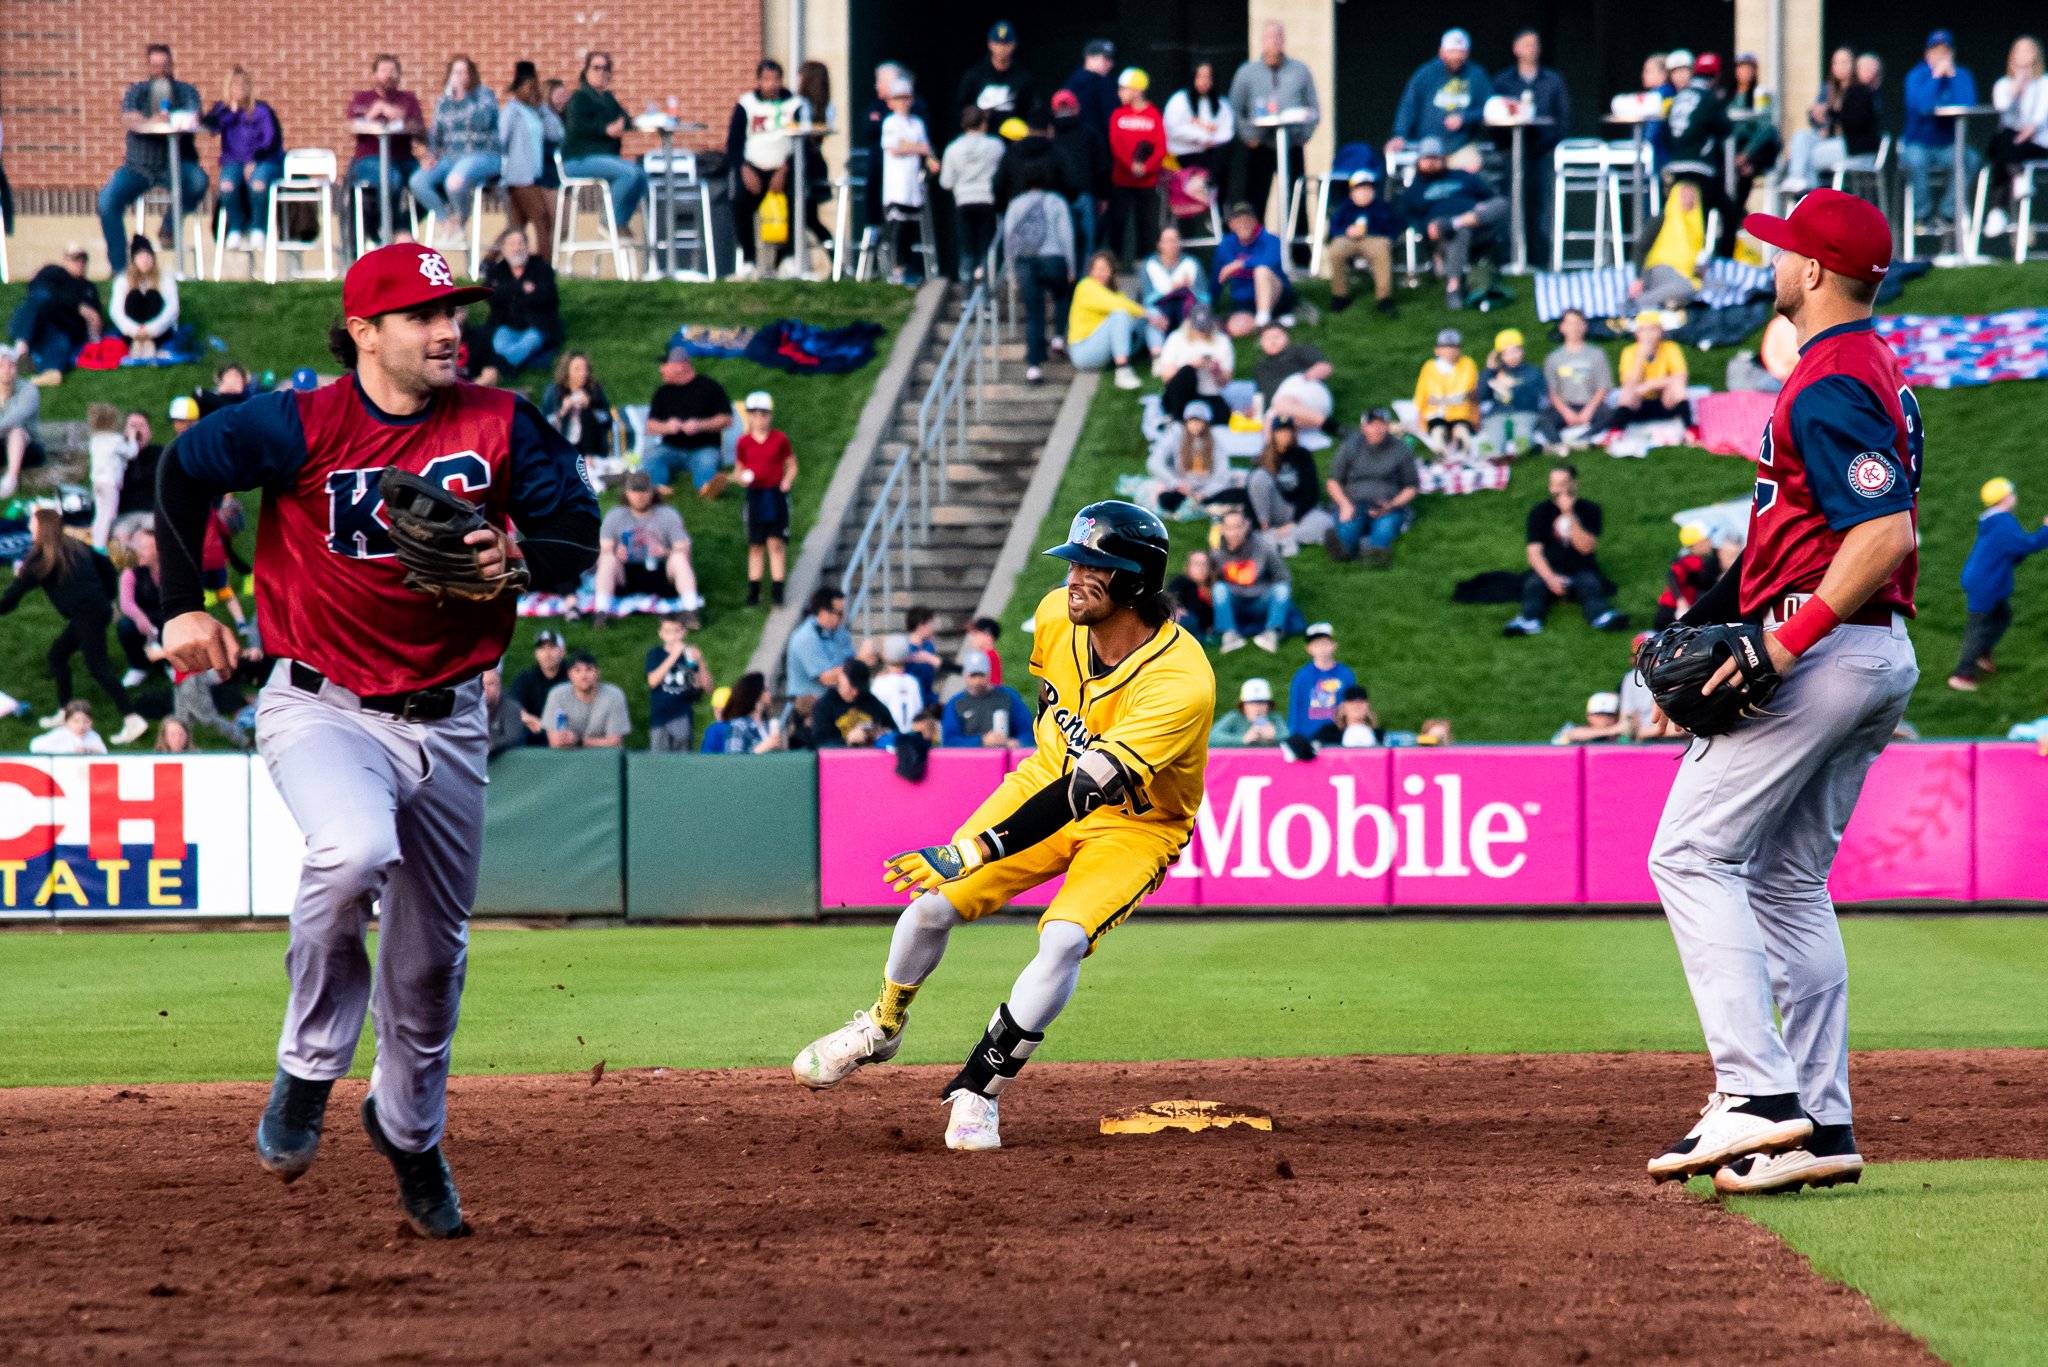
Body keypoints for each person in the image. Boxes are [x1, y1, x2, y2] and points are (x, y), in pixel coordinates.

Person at [155, 243, 597, 1236]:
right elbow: (180, 469)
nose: (449, 330)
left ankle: (407, 1129)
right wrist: (183, 605)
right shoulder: (297, 420)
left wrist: (517, 554)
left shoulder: (502, 420)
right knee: (351, 849)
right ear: (362, 330)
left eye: (454, 312)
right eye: (421, 314)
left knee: (430, 967)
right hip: (323, 701)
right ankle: (309, 1065)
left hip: (450, 718)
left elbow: (577, 535)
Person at [1644, 188, 1922, 1198]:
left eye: (1779, 252)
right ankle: (1818, 1119)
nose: (1769, 263)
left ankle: (1757, 1095)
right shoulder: (1869, 367)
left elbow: (1881, 532)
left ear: (1810, 271)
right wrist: (1718, 607)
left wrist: (1775, 645)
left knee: (1687, 850)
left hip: (1825, 644)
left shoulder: (1828, 376)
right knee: (1785, 880)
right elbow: (1809, 530)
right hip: (1867, 643)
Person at [793, 501, 1213, 1154]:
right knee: (932, 906)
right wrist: (968, 854)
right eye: (1073, 562)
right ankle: (883, 1021)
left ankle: (979, 1088)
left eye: (1092, 567)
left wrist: (976, 847)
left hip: (1135, 825)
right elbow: (1060, 761)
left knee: (1064, 938)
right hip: (1042, 781)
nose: (1073, 579)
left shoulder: (1181, 681)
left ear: (1132, 582)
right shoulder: (1054, 616)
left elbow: (1085, 792)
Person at [1, 507, 149, 743]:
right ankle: (64, 711)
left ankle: (132, 719)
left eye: (32, 523)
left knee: (98, 667)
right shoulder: (75, 546)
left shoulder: (41, 560)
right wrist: (108, 599)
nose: (29, 527)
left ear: (41, 528)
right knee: (58, 655)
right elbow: (108, 569)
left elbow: (11, 599)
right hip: (95, 610)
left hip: (87, 615)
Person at [99, 44, 209, 273]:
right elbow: (130, 119)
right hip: (138, 168)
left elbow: (192, 117)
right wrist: (154, 122)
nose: (160, 70)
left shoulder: (186, 91)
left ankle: (169, 226)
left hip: (177, 165)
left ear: (171, 65)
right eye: (155, 65)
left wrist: (166, 120)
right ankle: (119, 269)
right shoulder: (136, 92)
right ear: (148, 66)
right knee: (107, 202)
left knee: (198, 181)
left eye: (164, 65)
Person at [1503, 464, 1627, 636]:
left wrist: (1569, 514)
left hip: (1580, 567)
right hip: (1550, 568)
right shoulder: (1539, 513)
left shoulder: (1590, 510)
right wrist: (1550, 578)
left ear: (1573, 484)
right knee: (1533, 585)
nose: (1557, 489)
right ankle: (1529, 620)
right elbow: (1534, 552)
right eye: (1554, 484)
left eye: (1562, 484)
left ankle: (1600, 617)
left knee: (1590, 583)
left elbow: (1585, 548)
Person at [1950, 477, 2048, 690]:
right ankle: (1962, 675)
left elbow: (2011, 550)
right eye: (2011, 493)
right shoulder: (2003, 522)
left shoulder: (1993, 520)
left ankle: (1983, 653)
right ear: (2004, 498)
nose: (2015, 497)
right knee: (1978, 628)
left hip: (1986, 581)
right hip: (1986, 584)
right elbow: (2025, 545)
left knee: (2002, 617)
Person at [1228, 22, 1319, 238]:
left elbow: (1313, 109)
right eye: (1270, 38)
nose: (1274, 43)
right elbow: (1234, 109)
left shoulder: (1300, 71)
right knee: (1256, 197)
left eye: (1278, 38)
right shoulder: (1247, 73)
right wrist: (1248, 136)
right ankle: (1254, 246)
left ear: (1283, 40)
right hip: (1260, 146)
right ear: (1262, 40)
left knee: (1296, 196)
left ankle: (1298, 255)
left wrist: (1304, 135)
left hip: (1291, 144)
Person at [1399, 137, 1508, 310]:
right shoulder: (1415, 189)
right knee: (1460, 231)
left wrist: (1479, 209)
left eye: (1436, 158)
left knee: (1501, 203)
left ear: (1444, 158)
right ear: (1419, 161)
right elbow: (1408, 217)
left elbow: (1490, 198)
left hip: (1477, 226)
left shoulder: (1463, 176)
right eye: (1428, 159)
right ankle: (1454, 286)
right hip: (1443, 234)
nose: (1433, 163)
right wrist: (1426, 227)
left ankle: (1456, 222)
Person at [411, 56, 500, 251]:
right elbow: (436, 132)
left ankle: (460, 220)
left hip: (482, 155)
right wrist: (431, 155)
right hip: (450, 157)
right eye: (456, 72)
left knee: (455, 181)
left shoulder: (484, 95)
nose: (459, 77)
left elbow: (483, 122)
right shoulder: (444, 101)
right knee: (418, 181)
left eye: (463, 72)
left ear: (471, 74)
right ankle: (447, 222)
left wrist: (464, 97)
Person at [1493, 30, 1569, 254]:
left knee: (1542, 206)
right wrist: (1504, 146)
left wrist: (1553, 144)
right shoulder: (1502, 81)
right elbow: (1492, 116)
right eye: (1526, 44)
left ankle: (1541, 257)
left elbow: (1562, 117)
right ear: (1516, 48)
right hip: (1512, 152)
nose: (1532, 49)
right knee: (1511, 202)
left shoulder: (1553, 80)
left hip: (1543, 152)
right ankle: (1510, 254)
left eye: (1535, 44)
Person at [727, 59, 805, 271]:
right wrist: (744, 168)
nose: (772, 84)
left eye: (776, 79)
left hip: (784, 168)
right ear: (759, 81)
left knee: (797, 200)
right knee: (739, 203)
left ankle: (787, 258)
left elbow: (802, 142)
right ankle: (749, 260)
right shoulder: (747, 104)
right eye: (767, 79)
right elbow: (734, 143)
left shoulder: (795, 104)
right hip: (755, 168)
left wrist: (784, 168)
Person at [596, 470, 702, 625]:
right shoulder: (615, 515)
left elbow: (684, 548)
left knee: (679, 558)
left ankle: (691, 611)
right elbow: (604, 548)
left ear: (652, 492)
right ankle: (601, 612)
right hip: (627, 573)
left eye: (644, 491)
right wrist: (616, 551)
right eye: (635, 491)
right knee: (607, 559)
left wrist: (665, 552)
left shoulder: (668, 514)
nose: (639, 496)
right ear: (627, 493)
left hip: (660, 571)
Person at [561, 52, 648, 239]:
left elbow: (624, 120)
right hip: (579, 159)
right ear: (586, 71)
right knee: (629, 172)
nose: (601, 72)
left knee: (641, 175)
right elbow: (577, 127)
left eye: (606, 68)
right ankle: (610, 222)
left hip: (605, 158)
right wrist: (605, 130)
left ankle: (621, 220)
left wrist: (628, 123)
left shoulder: (608, 98)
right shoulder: (579, 97)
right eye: (596, 67)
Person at [1002, 167, 1075, 385]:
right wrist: (1070, 267)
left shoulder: (1015, 204)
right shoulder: (1056, 201)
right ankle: (1059, 337)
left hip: (1025, 263)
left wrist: (1011, 272)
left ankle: (1034, 367)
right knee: (1063, 295)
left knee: (1035, 314)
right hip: (1053, 259)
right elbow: (1066, 234)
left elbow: (1009, 239)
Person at [1901, 31, 1980, 229]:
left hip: (1948, 145)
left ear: (1952, 53)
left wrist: (1951, 77)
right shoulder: (1916, 76)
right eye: (1935, 51)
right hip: (1918, 143)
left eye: (1945, 52)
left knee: (1969, 158)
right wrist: (1936, 77)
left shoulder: (1961, 75)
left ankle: (1948, 213)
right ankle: (1923, 215)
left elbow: (1968, 104)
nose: (1940, 56)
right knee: (1915, 160)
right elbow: (1922, 106)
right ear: (1927, 54)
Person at [345, 55, 426, 244]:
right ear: (374, 75)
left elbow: (422, 132)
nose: (388, 76)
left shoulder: (408, 99)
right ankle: (392, 230)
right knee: (391, 178)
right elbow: (350, 128)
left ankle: (400, 226)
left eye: (392, 71)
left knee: (431, 182)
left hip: (403, 158)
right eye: (383, 71)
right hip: (369, 158)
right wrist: (373, 113)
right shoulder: (362, 98)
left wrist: (403, 120)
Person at [1324, 408, 1419, 565]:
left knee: (1385, 528)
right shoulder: (1350, 446)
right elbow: (1333, 481)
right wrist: (1344, 504)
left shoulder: (1401, 450)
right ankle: (1343, 549)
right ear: (1364, 428)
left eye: (1381, 425)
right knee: (1349, 527)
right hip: (1353, 502)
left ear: (1388, 427)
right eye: (1372, 425)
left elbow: (1411, 487)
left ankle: (1375, 553)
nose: (1376, 429)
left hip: (1387, 505)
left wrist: (1392, 505)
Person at [204, 66, 284, 253]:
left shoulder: (261, 110)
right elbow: (210, 127)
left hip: (263, 161)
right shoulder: (223, 110)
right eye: (235, 85)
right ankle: (235, 228)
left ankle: (258, 229)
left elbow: (272, 140)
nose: (240, 88)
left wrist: (255, 160)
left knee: (258, 183)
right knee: (226, 185)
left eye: (244, 84)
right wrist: (228, 112)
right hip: (233, 162)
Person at [735, 389, 797, 606]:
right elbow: (739, 467)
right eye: (754, 414)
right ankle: (754, 592)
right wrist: (741, 478)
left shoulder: (779, 439)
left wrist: (787, 480)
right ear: (749, 416)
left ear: (770, 416)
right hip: (755, 495)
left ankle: (778, 591)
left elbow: (791, 463)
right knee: (755, 545)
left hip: (774, 494)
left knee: (775, 543)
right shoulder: (743, 442)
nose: (759, 419)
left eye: (764, 414)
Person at [7, 244, 102, 386]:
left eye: (83, 260)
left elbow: (95, 316)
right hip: (40, 321)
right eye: (75, 259)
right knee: (40, 297)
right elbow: (39, 290)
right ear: (65, 260)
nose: (79, 264)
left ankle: (44, 373)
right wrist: (77, 306)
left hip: (64, 329)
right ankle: (21, 349)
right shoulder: (53, 272)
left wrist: (94, 333)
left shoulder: (88, 288)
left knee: (61, 343)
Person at [1391, 28, 1493, 157]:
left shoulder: (1477, 74)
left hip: (1463, 145)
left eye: (1461, 52)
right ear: (1441, 52)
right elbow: (1409, 105)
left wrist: (1465, 118)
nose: (1456, 56)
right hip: (1427, 146)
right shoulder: (1425, 73)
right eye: (1452, 52)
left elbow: (1489, 108)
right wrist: (1400, 135)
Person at [645, 346, 732, 496]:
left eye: (665, 365)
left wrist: (700, 425)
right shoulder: (662, 393)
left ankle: (707, 488)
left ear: (679, 367)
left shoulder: (710, 388)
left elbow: (727, 420)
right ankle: (657, 487)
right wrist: (667, 427)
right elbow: (650, 426)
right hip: (671, 449)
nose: (661, 370)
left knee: (707, 461)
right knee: (653, 455)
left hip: (704, 448)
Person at [1984, 37, 2048, 238]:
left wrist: (2021, 136)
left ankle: (1997, 210)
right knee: (2004, 140)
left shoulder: (2045, 83)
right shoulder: (2003, 84)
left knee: (2003, 147)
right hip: (2011, 144)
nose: (2024, 55)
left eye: (2028, 51)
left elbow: (2038, 119)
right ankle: (2018, 177)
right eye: (2019, 51)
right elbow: (2001, 109)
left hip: (2038, 143)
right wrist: (2017, 88)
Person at [1212, 505, 1295, 653]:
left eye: (1238, 527)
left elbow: (1283, 577)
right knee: (1219, 588)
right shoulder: (1216, 552)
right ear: (1223, 529)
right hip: (1235, 601)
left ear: (1247, 526)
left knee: (1282, 589)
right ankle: (1229, 635)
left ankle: (1271, 633)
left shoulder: (1264, 547)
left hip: (1260, 600)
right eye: (1230, 528)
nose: (1234, 532)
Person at [1103, 69, 1166, 263]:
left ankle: (1144, 264)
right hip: (1122, 180)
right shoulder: (1117, 114)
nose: (1120, 93)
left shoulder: (1153, 115)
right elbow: (1115, 144)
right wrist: (1131, 165)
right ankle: (1116, 262)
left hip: (1146, 182)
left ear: (1137, 90)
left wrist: (1146, 167)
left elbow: (1161, 147)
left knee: (1146, 224)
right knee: (1117, 222)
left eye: (1124, 89)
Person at [879, 76, 938, 284]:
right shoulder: (890, 122)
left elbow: (926, 149)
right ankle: (895, 270)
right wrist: (918, 149)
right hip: (896, 188)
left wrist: (930, 159)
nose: (903, 102)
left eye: (906, 97)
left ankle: (909, 269)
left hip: (914, 189)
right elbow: (894, 148)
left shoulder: (917, 124)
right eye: (898, 98)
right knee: (897, 231)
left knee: (911, 231)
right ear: (890, 101)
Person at [498, 62, 559, 259]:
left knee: (516, 226)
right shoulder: (511, 111)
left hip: (533, 177)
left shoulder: (536, 112)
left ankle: (488, 261)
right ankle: (546, 267)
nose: (531, 91)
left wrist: (542, 107)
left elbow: (557, 133)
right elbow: (501, 139)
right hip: (518, 177)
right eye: (527, 87)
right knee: (542, 220)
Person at [1246, 416, 1330, 554]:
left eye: (1288, 431)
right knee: (1258, 477)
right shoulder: (1262, 458)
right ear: (1273, 434)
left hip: (1297, 511)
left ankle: (1281, 537)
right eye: (1281, 432)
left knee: (1325, 523)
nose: (1285, 435)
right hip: (1274, 509)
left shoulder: (1303, 455)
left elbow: (1311, 491)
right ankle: (1266, 531)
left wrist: (1294, 522)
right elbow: (1252, 492)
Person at [1067, 249, 1147, 390]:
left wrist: (1150, 315)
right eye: (1097, 269)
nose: (1101, 273)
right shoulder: (1086, 286)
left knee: (1144, 319)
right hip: (1084, 350)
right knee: (1120, 315)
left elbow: (1129, 304)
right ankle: (1123, 371)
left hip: (1101, 349)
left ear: (1111, 271)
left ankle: (1159, 356)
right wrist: (1144, 312)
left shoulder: (1112, 292)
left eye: (1105, 269)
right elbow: (1118, 305)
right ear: (1091, 271)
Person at [940, 107, 1005, 279]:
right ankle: (988, 290)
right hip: (987, 200)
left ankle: (966, 295)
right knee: (987, 249)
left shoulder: (952, 148)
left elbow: (946, 183)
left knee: (966, 250)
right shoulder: (996, 146)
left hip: (963, 201)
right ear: (983, 123)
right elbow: (1003, 175)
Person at [1534, 309, 1613, 450]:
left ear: (1585, 326)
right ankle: (1558, 444)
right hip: (1565, 406)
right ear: (1562, 328)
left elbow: (1603, 387)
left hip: (1591, 404)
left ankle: (1584, 439)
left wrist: (1588, 411)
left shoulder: (1597, 354)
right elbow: (1552, 392)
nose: (1574, 328)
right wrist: (1566, 413)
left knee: (1610, 414)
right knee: (1542, 418)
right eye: (1570, 323)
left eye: (1578, 323)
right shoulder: (1553, 358)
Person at [1325, 169, 1396, 315]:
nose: (1364, 192)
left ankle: (1384, 298)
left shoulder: (1381, 207)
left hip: (1374, 239)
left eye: (1368, 188)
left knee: (1381, 251)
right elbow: (1333, 227)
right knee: (1336, 250)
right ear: (1352, 192)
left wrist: (1373, 230)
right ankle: (1340, 295)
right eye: (1360, 189)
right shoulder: (1345, 208)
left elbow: (1392, 227)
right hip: (1348, 239)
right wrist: (1346, 230)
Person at [1049, 88, 1110, 257]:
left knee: (1058, 244)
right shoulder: (1089, 131)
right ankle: (1084, 282)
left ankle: (1065, 280)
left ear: (1054, 110)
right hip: (1084, 194)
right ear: (1076, 108)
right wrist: (1103, 196)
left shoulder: (1049, 133)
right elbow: (1103, 166)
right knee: (1087, 245)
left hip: (1057, 196)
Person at [1214, 203, 1292, 332]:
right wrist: (1210, 301)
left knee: (1261, 270)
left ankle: (1263, 321)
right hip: (1245, 302)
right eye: (1238, 221)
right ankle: (1272, 322)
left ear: (1255, 221)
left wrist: (1239, 264)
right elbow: (1217, 276)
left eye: (1247, 220)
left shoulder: (1270, 240)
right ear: (1231, 224)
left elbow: (1269, 260)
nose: (1243, 224)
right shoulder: (1225, 245)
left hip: (1276, 296)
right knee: (1236, 329)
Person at [1146, 403, 1233, 516]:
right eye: (1192, 421)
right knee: (1167, 500)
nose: (1195, 425)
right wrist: (1176, 483)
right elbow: (1154, 462)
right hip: (1181, 485)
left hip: (1206, 487)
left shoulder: (1214, 442)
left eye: (1199, 421)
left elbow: (1223, 474)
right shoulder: (1177, 437)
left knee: (1234, 495)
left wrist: (1206, 492)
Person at [1608, 312, 1690, 430]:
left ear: (1661, 332)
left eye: (1653, 329)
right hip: (1639, 404)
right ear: (1637, 334)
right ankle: (1615, 431)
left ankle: (1690, 429)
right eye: (1644, 330)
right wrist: (1640, 359)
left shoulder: (1670, 348)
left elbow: (1681, 378)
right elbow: (1628, 383)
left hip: (1664, 401)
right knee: (1627, 391)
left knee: (1678, 386)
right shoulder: (1629, 352)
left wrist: (1650, 385)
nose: (1648, 335)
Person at [1154, 304, 1233, 424]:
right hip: (1181, 394)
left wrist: (1215, 370)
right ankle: (1177, 417)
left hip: (1208, 392)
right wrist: (1193, 365)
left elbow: (1225, 382)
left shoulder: (1223, 342)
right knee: (1187, 371)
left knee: (1223, 416)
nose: (1201, 331)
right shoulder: (1176, 339)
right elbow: (1167, 378)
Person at [645, 613, 711, 751]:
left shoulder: (689, 655)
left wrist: (700, 661)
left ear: (684, 632)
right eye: (668, 632)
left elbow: (708, 687)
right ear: (661, 634)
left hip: (682, 714)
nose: (674, 636)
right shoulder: (655, 653)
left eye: (677, 631)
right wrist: (674, 655)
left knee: (681, 760)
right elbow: (653, 681)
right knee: (659, 761)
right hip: (660, 717)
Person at [940, 648, 1031, 747]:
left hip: (1004, 754)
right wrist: (981, 741)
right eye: (973, 675)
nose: (977, 680)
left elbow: (1028, 732)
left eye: (981, 675)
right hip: (970, 759)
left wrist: (1016, 742)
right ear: (966, 675)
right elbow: (949, 741)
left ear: (988, 673)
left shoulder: (1009, 697)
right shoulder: (955, 703)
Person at [1164, 62, 1235, 186]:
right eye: (1200, 76)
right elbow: (1172, 128)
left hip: (1211, 155)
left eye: (1208, 77)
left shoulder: (1221, 104)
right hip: (1184, 155)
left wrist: (1212, 141)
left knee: (1221, 161)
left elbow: (1227, 132)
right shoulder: (1179, 100)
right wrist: (1201, 138)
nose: (1204, 81)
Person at [1252, 322, 1333, 428]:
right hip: (1282, 405)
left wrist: (1310, 374)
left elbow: (1325, 367)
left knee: (1280, 403)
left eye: (1276, 336)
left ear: (1286, 337)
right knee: (1269, 421)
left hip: (1308, 391)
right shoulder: (1261, 367)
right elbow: (1260, 395)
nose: (1272, 341)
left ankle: (1335, 428)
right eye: (1267, 339)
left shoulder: (1300, 350)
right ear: (1261, 343)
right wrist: (1256, 415)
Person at [1137, 226, 1209, 346]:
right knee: (1156, 313)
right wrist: (1172, 288)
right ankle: (1158, 352)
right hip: (1161, 312)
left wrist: (1190, 289)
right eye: (1167, 241)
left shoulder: (1192, 263)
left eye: (1175, 240)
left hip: (1187, 310)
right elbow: (1147, 300)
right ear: (1159, 245)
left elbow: (1205, 298)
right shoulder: (1148, 265)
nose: (1172, 244)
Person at [1413, 327, 1479, 456]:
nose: (1450, 351)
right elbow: (1421, 393)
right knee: (1438, 434)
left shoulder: (1467, 364)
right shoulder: (1429, 367)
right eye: (1446, 347)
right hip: (1435, 414)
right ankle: (1442, 457)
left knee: (1462, 433)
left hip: (1461, 414)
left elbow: (1473, 391)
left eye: (1454, 347)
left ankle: (1462, 456)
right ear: (1437, 350)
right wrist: (1417, 416)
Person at [544, 651, 630, 748]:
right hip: (569, 758)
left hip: (605, 758)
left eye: (589, 670)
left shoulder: (614, 695)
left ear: (598, 673)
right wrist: (563, 739)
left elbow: (615, 742)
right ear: (569, 674)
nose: (584, 676)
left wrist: (578, 741)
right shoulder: (557, 695)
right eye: (578, 670)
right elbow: (554, 742)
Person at [958, 20, 1037, 124]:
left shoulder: (1022, 78)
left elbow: (1028, 111)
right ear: (990, 44)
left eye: (1006, 44)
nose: (1001, 48)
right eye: (997, 43)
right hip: (981, 135)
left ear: (1014, 45)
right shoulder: (975, 75)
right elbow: (962, 108)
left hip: (1012, 136)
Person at [811, 657, 898, 748]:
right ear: (842, 678)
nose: (855, 693)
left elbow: (893, 731)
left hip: (870, 756)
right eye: (852, 687)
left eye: (859, 689)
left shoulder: (871, 702)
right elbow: (821, 742)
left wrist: (879, 733)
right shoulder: (825, 706)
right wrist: (847, 741)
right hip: (840, 758)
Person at [1288, 623, 1355, 738]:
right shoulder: (1302, 676)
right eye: (1317, 645)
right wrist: (1294, 735)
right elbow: (1295, 707)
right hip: (1309, 736)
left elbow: (1352, 704)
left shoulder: (1345, 674)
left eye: (1325, 643)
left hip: (1338, 734)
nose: (1321, 649)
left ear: (1333, 646)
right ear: (1309, 649)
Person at [786, 587, 853, 700]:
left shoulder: (837, 630)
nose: (842, 618)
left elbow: (850, 658)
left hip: (831, 700)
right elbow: (827, 678)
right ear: (823, 613)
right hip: (807, 704)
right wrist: (859, 664)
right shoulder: (806, 637)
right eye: (839, 613)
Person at [541, 351, 613, 458]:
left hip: (592, 453)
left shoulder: (594, 390)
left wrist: (590, 407)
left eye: (585, 369)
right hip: (562, 451)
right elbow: (544, 425)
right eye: (577, 369)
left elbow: (607, 420)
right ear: (567, 371)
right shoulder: (554, 392)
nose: (583, 373)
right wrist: (562, 411)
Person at [85, 402, 136, 550]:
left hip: (96, 482)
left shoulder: (95, 440)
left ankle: (96, 541)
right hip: (110, 484)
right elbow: (131, 452)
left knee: (99, 514)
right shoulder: (115, 440)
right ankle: (101, 546)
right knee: (109, 514)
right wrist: (132, 438)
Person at [1654, 523, 1722, 629]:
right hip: (1672, 611)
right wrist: (1681, 601)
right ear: (1696, 544)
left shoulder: (1697, 561)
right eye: (1707, 540)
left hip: (1673, 611)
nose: (1711, 544)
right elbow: (1673, 576)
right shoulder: (1691, 561)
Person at [510, 628, 567, 746]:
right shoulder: (526, 678)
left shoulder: (572, 677)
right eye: (542, 648)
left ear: (562, 651)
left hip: (566, 732)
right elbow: (514, 707)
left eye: (552, 647)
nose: (547, 653)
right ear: (536, 653)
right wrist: (531, 720)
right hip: (535, 729)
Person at [702, 671, 782, 754]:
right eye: (766, 689)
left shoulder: (766, 724)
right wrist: (762, 748)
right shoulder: (739, 725)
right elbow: (734, 760)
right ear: (757, 693)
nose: (770, 693)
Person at [0, 351, 43, 501]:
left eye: (11, 366)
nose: (6, 370)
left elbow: (19, 415)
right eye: (1, 366)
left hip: (28, 447)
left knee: (17, 429)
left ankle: (11, 479)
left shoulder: (29, 389)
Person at [1725, 313, 1800, 395]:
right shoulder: (1776, 325)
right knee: (1762, 385)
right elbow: (1769, 355)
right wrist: (1782, 373)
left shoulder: (1810, 326)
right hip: (1779, 376)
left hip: (1802, 374)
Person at [1063, 40, 1120, 139]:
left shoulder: (1108, 81)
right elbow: (1063, 118)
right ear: (1089, 58)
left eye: (1111, 59)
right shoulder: (1076, 83)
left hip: (1104, 141)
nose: (1110, 64)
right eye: (1105, 59)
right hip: (1083, 142)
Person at [1210, 676, 1287, 747]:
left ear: (1268, 705)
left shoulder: (1274, 718)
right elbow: (1211, 738)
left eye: (1262, 703)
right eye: (1251, 703)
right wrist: (1243, 739)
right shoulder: (1234, 717)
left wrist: (1275, 737)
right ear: (1243, 705)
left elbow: (1291, 738)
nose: (1257, 707)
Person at [29, 700, 110, 757]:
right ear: (66, 721)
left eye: (86, 721)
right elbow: (35, 746)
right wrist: (70, 750)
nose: (81, 726)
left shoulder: (93, 736)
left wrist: (91, 751)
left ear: (91, 722)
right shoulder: (60, 734)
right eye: (76, 721)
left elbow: (105, 755)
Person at [1167, 548, 1216, 638]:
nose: (1201, 568)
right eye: (1196, 564)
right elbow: (1171, 595)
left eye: (1204, 564)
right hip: (1183, 617)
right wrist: (1176, 608)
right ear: (1188, 567)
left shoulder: (1214, 589)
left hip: (1199, 628)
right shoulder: (1181, 581)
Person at [1312, 684, 1380, 748]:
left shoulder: (1378, 734)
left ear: (1367, 706)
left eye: (1361, 702)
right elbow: (1312, 747)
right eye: (1352, 702)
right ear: (1343, 707)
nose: (1357, 706)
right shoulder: (1328, 733)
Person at [1552, 691, 1627, 745]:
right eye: (1599, 715)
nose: (1604, 719)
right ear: (1589, 716)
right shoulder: (1573, 728)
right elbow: (1569, 734)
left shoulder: (1620, 736)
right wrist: (1611, 731)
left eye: (1609, 715)